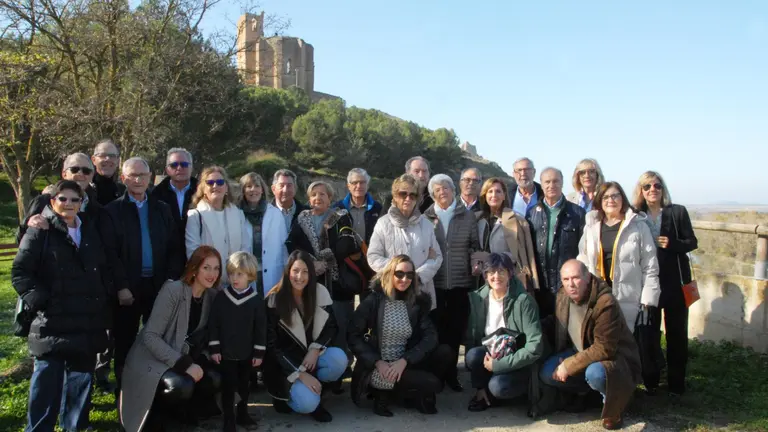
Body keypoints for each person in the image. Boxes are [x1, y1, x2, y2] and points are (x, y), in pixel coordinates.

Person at [20, 153, 125, 393]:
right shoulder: (43, 203)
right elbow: (23, 253)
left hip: (85, 303)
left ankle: (79, 410)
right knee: (48, 369)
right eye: (75, 169)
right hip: (52, 304)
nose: (81, 174)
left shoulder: (97, 210)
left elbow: (106, 253)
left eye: (86, 171)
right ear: (64, 173)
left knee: (80, 370)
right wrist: (39, 299)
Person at [12, 180, 111, 432]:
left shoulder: (90, 231)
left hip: (86, 322)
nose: (68, 204)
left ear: (81, 203)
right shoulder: (40, 230)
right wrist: (41, 301)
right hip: (51, 322)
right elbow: (21, 273)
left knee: (79, 388)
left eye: (74, 199)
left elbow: (102, 268)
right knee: (46, 387)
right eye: (62, 199)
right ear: (52, 201)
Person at [120, 246, 223, 432]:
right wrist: (185, 364)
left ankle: (187, 417)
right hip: (152, 358)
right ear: (194, 268)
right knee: (181, 385)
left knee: (213, 378)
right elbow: (150, 336)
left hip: (185, 354)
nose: (212, 274)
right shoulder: (173, 290)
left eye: (216, 268)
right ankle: (160, 421)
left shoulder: (212, 296)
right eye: (206, 268)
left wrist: (202, 359)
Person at [105, 157, 184, 389]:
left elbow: (175, 248)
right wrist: (121, 286)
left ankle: (154, 391)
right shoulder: (112, 211)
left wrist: (170, 280)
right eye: (133, 175)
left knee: (159, 341)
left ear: (150, 177)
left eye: (142, 175)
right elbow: (110, 253)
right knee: (125, 343)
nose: (138, 180)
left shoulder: (162, 209)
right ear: (123, 178)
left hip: (158, 286)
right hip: (128, 288)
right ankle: (125, 393)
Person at [540, 260, 641, 430]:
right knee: (547, 373)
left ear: (587, 277)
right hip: (578, 352)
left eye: (576, 278)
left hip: (613, 358)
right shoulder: (563, 296)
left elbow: (604, 348)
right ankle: (587, 395)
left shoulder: (605, 302)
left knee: (595, 374)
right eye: (566, 279)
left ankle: (615, 405)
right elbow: (556, 322)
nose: (571, 284)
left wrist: (569, 365)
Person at [348, 255, 453, 417]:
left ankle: (408, 393)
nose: (405, 279)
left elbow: (431, 337)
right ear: (390, 273)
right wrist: (377, 361)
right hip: (379, 364)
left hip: (405, 362)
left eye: (410, 275)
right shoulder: (374, 300)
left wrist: (405, 360)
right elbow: (353, 335)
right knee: (431, 383)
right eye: (399, 274)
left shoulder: (417, 302)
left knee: (445, 352)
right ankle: (387, 394)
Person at [632, 171, 698, 395]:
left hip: (675, 283)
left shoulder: (677, 212)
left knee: (676, 335)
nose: (653, 190)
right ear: (641, 191)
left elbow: (692, 242)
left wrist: (672, 243)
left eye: (657, 185)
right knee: (649, 334)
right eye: (647, 186)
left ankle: (676, 384)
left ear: (663, 189)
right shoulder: (635, 215)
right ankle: (651, 381)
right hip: (647, 284)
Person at [263, 251, 348, 422]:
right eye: (295, 271)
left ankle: (317, 392)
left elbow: (331, 327)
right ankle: (286, 398)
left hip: (311, 358)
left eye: (305, 271)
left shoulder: (319, 293)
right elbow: (272, 348)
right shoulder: (274, 301)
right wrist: (300, 374)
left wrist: (316, 349)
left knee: (339, 359)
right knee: (308, 404)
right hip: (286, 367)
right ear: (288, 272)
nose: (299, 277)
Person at [287, 181, 360, 360]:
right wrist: (311, 264)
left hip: (338, 284)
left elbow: (347, 243)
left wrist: (325, 263)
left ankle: (342, 365)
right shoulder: (301, 218)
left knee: (340, 325)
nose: (317, 198)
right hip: (311, 283)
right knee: (316, 327)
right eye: (313, 194)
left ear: (330, 198)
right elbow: (292, 244)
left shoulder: (341, 216)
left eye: (322, 194)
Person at [465, 252, 544, 412]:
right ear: (486, 275)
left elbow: (534, 347)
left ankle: (520, 389)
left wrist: (498, 365)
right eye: (491, 272)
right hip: (492, 352)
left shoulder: (524, 301)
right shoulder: (479, 298)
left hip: (517, 358)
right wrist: (479, 384)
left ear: (510, 273)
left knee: (498, 387)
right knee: (472, 355)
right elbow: (474, 338)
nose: (496, 276)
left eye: (501, 271)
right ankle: (483, 392)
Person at [423, 174, 480, 391]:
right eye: (437, 189)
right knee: (436, 329)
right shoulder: (426, 218)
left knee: (456, 331)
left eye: (446, 187)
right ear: (432, 195)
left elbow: (474, 245)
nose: (442, 192)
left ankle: (452, 375)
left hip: (460, 282)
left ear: (453, 190)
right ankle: (437, 374)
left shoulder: (467, 216)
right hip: (434, 283)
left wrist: (473, 261)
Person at [577, 181, 661, 328]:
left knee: (628, 339)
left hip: (630, 298)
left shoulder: (638, 226)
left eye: (615, 196)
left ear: (623, 199)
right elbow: (583, 259)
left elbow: (650, 265)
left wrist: (648, 298)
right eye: (606, 197)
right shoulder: (591, 227)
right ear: (600, 201)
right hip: (599, 296)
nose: (611, 200)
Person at [368, 174, 443, 312]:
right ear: (395, 196)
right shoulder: (383, 224)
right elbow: (373, 257)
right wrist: (401, 273)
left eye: (413, 195)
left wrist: (417, 277)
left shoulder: (426, 225)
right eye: (403, 194)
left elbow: (437, 256)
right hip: (391, 294)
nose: (408, 199)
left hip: (421, 294)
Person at [208, 252, 266, 431]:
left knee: (244, 387)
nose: (234, 278)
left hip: (246, 355)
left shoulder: (256, 300)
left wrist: (258, 353)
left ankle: (243, 414)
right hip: (226, 355)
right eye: (232, 273)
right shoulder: (221, 298)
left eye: (239, 274)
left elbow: (260, 328)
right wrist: (215, 348)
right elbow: (214, 324)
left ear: (250, 275)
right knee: (228, 388)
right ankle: (229, 419)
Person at [526, 168, 586, 318]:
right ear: (541, 184)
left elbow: (584, 250)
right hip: (540, 285)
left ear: (562, 183)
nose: (551, 185)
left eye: (555, 181)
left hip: (567, 284)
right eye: (547, 182)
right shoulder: (531, 214)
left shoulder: (577, 213)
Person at [185, 165, 252, 285]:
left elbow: (245, 247)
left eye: (220, 182)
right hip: (208, 284)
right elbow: (193, 254)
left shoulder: (238, 214)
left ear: (226, 187)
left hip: (236, 282)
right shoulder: (195, 216)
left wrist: (238, 275)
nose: (215, 186)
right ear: (203, 189)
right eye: (210, 183)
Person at [475, 177, 540, 292]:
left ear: (504, 195)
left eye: (498, 191)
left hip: (507, 278)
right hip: (481, 279)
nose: (494, 195)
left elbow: (520, 255)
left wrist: (491, 258)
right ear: (484, 195)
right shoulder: (477, 219)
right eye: (490, 191)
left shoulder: (516, 220)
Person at [334, 168, 381, 300]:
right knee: (344, 307)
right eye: (354, 182)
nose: (358, 186)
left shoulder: (378, 208)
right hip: (345, 265)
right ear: (348, 185)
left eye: (362, 182)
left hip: (371, 265)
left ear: (368, 185)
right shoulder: (337, 208)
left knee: (369, 306)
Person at [260, 169, 309, 294]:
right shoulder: (263, 214)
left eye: (289, 185)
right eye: (281, 185)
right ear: (273, 189)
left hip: (300, 276)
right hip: (272, 275)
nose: (285, 190)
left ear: (295, 188)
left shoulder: (307, 213)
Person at [151, 148, 199, 261]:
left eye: (184, 164)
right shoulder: (155, 195)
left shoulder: (203, 192)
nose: (179, 168)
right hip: (165, 257)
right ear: (167, 169)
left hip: (198, 256)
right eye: (174, 165)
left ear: (191, 167)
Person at [238, 172, 270, 274]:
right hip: (243, 268)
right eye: (249, 186)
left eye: (257, 186)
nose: (253, 189)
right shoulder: (236, 213)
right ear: (243, 190)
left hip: (270, 269)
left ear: (262, 190)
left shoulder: (274, 213)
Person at [91, 138, 126, 206]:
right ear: (93, 160)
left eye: (112, 156)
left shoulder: (123, 192)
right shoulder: (85, 189)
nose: (108, 159)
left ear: (118, 161)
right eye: (103, 155)